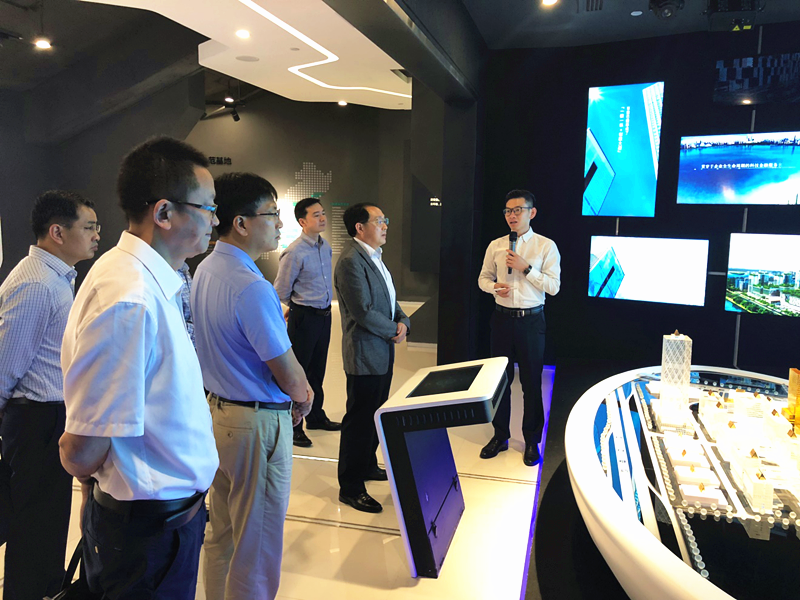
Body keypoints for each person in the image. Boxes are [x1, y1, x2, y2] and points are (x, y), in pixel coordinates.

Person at [59, 136, 220, 600]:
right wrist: (82, 467)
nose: (215, 219)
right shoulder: (130, 297)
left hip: (159, 522)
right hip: (147, 533)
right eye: (208, 208)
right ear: (164, 212)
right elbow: (83, 446)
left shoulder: (140, 276)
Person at [192, 172, 312, 600]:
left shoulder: (206, 269)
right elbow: (289, 373)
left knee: (222, 535)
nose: (280, 224)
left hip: (218, 415)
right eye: (272, 214)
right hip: (255, 425)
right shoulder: (251, 286)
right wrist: (304, 397)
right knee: (256, 547)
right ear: (241, 222)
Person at [0, 190, 99, 600]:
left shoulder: (54, 277)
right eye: (89, 227)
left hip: (49, 418)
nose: (97, 235)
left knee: (47, 525)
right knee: (32, 529)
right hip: (35, 420)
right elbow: (5, 366)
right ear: (57, 232)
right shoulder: (36, 283)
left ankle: (44, 587)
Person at [335, 202, 410, 513]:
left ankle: (366, 464)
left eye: (384, 220)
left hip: (381, 351)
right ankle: (351, 487)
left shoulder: (374, 256)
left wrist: (403, 320)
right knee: (359, 420)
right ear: (360, 227)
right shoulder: (350, 261)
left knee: (374, 414)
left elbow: (389, 299)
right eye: (379, 221)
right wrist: (394, 328)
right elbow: (363, 311)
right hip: (365, 353)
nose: (385, 225)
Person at [478, 189, 560, 466]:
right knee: (499, 381)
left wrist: (526, 268)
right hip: (501, 319)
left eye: (518, 210)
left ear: (531, 212)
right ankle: (500, 436)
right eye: (508, 211)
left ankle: (532, 440)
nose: (511, 216)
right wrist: (493, 287)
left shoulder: (545, 246)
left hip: (531, 321)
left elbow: (554, 286)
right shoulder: (496, 245)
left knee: (531, 382)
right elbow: (483, 278)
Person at [274, 197, 340, 449]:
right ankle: (294, 426)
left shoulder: (325, 247)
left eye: (323, 213)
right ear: (302, 221)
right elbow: (280, 291)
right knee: (298, 373)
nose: (322, 218)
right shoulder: (294, 252)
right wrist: (294, 310)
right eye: (316, 215)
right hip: (304, 318)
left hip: (324, 316)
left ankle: (316, 416)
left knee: (317, 371)